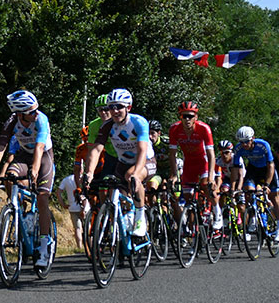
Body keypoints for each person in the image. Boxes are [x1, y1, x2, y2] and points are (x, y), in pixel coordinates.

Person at [0, 90, 56, 267]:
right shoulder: (11, 122)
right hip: (24, 156)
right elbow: (1, 148)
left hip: (44, 157)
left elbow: (39, 147)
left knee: (42, 197)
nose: (35, 113)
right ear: (19, 113)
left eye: (35, 109)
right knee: (10, 177)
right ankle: (18, 210)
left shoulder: (41, 119)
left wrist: (35, 170)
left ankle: (44, 246)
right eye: (31, 111)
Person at [82, 88, 153, 237]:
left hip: (145, 161)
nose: (114, 111)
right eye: (111, 107)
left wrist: (136, 174)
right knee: (116, 191)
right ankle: (127, 219)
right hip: (123, 162)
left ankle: (140, 218)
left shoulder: (138, 122)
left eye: (119, 106)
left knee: (131, 177)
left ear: (129, 107)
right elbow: (96, 150)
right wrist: (89, 173)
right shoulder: (107, 126)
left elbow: (142, 150)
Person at [168, 101, 221, 229]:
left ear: (196, 117)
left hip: (203, 162)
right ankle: (193, 229)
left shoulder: (204, 128)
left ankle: (217, 212)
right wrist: (174, 175)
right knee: (188, 197)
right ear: (180, 117)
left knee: (206, 185)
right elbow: (172, 155)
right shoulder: (174, 129)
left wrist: (211, 177)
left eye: (190, 116)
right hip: (188, 164)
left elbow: (211, 155)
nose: (187, 119)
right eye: (184, 116)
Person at [231, 126, 279, 242]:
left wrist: (267, 185)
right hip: (253, 169)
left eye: (246, 141)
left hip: (267, 169)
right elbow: (235, 169)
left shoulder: (263, 145)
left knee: (274, 196)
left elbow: (271, 165)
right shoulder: (238, 148)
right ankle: (253, 215)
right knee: (248, 191)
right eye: (241, 142)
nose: (244, 145)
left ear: (253, 138)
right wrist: (233, 188)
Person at [57, 173, 86, 250]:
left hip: (72, 207)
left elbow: (58, 192)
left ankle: (79, 247)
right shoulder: (84, 178)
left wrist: (63, 204)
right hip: (85, 207)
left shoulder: (66, 179)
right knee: (88, 227)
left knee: (77, 228)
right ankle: (90, 246)